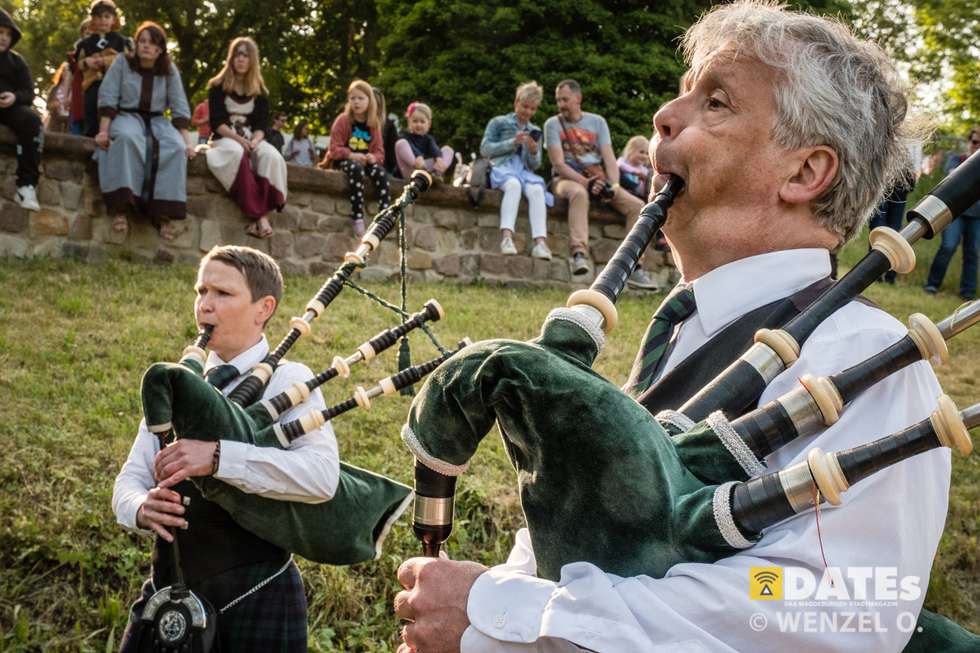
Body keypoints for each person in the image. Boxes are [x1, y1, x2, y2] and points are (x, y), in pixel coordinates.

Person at [393, 3, 950, 652]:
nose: (665, 115)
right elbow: (595, 533)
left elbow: (829, 605)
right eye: (685, 92)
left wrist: (499, 616)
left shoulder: (863, 353)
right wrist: (502, 591)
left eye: (715, 102)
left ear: (804, 172)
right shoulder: (685, 329)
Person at [114, 245, 340, 653]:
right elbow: (130, 478)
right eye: (201, 292)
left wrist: (219, 458)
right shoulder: (178, 380)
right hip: (170, 590)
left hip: (258, 591)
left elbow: (322, 477)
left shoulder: (289, 378)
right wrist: (139, 506)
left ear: (263, 308)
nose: (205, 305)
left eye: (223, 294)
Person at [544, 79, 658, 288]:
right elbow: (558, 164)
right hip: (566, 180)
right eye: (558, 100)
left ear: (578, 98)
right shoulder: (552, 124)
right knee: (579, 194)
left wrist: (613, 186)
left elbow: (608, 157)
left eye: (565, 100)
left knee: (638, 207)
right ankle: (579, 253)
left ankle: (634, 266)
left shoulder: (597, 122)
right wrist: (586, 183)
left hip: (598, 178)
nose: (561, 104)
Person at [94, 21, 194, 240]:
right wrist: (103, 131)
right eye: (143, 41)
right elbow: (108, 95)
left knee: (175, 148)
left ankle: (162, 214)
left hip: (158, 122)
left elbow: (179, 105)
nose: (146, 46)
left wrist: (187, 143)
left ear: (160, 49)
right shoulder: (123, 62)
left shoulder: (169, 69)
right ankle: (121, 209)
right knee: (128, 139)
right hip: (127, 116)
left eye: (152, 43)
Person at [204, 37, 287, 240]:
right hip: (225, 138)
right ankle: (260, 216)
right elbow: (217, 123)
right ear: (231, 58)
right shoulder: (217, 86)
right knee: (236, 153)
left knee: (271, 157)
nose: (241, 59)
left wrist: (256, 142)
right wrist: (240, 141)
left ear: (252, 60)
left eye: (245, 55)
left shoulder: (260, 92)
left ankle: (259, 214)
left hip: (252, 137)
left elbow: (261, 126)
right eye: (237, 54)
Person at [479, 81, 553, 260]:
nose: (528, 112)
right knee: (513, 186)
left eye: (532, 109)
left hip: (524, 171)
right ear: (516, 102)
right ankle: (506, 238)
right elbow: (485, 149)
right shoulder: (498, 122)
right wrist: (512, 142)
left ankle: (540, 243)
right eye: (525, 106)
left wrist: (534, 151)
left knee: (537, 190)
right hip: (502, 168)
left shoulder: (535, 130)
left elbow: (534, 165)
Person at [323, 79, 390, 237]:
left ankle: (385, 214)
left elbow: (380, 152)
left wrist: (373, 158)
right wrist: (351, 155)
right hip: (344, 161)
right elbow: (334, 148)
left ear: (369, 101)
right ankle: (357, 215)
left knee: (381, 173)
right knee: (356, 169)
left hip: (365, 162)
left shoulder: (373, 124)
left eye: (360, 98)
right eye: (353, 98)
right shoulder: (343, 120)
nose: (356, 102)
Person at [923, 127, 980, 300]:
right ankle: (932, 285)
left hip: (977, 217)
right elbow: (953, 179)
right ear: (969, 143)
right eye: (975, 142)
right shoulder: (957, 160)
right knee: (948, 246)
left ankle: (968, 293)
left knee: (972, 252)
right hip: (955, 213)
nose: (977, 146)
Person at [0, 8, 43, 212]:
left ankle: (26, 186)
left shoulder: (17, 61)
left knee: (32, 121)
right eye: (0, 32)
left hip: (10, 110)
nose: (4, 37)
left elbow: (29, 93)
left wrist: (14, 97)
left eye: (8, 34)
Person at [74, 0, 130, 137]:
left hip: (116, 87)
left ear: (114, 20)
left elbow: (128, 62)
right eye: (98, 17)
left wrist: (105, 61)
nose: (102, 20)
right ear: (92, 19)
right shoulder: (84, 43)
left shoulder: (122, 42)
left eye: (107, 17)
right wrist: (87, 62)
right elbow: (78, 63)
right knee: (91, 116)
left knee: (113, 116)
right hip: (92, 85)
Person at [395, 102, 454, 181]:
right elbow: (410, 145)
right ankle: (421, 173)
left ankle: (437, 172)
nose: (418, 125)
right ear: (409, 122)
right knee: (401, 143)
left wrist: (438, 158)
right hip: (412, 170)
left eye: (422, 122)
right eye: (415, 121)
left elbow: (434, 148)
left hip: (427, 168)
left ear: (429, 124)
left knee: (448, 149)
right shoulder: (404, 136)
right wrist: (418, 156)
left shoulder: (428, 138)